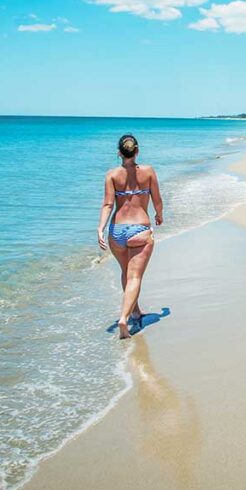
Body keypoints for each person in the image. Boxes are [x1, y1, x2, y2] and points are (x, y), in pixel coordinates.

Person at [97, 134, 164, 339]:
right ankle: (124, 318)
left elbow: (108, 204)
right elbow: (157, 199)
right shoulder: (148, 172)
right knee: (134, 276)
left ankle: (135, 311)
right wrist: (159, 216)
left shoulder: (112, 175)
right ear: (137, 151)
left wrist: (100, 228)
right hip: (139, 230)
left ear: (119, 152)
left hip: (116, 231)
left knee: (126, 273)